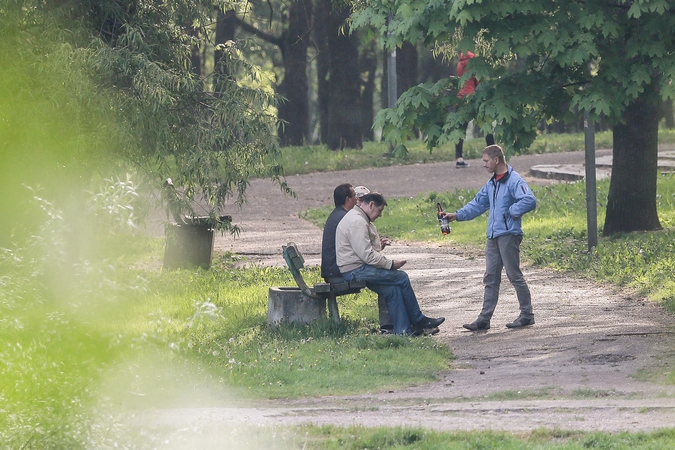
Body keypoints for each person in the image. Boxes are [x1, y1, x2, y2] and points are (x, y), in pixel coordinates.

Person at [442, 145, 536, 330]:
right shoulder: (492, 183)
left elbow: (529, 200)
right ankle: (484, 319)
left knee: (514, 275)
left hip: (508, 234)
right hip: (493, 235)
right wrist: (457, 215)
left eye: (486, 161)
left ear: (496, 160)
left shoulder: (514, 181)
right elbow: (478, 204)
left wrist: (511, 212)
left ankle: (527, 315)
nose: (484, 165)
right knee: (490, 277)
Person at [336, 192, 445, 335]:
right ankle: (419, 320)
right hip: (355, 270)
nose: (380, 215)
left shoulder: (357, 218)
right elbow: (367, 255)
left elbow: (364, 251)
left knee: (392, 291)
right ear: (371, 204)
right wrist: (390, 264)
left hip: (355, 267)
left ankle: (403, 331)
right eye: (380, 210)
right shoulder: (358, 221)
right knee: (401, 277)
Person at [320, 184, 394, 333]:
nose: (358, 200)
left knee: (387, 277)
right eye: (355, 196)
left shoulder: (340, 215)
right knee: (389, 279)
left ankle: (391, 325)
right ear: (348, 199)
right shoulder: (347, 219)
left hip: (335, 269)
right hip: (339, 272)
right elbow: (360, 253)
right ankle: (391, 325)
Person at [454, 51, 495, 168]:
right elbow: (478, 82)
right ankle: (493, 156)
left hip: (461, 98)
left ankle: (459, 158)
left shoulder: (460, 64)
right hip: (474, 98)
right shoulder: (475, 62)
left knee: (460, 130)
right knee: (486, 126)